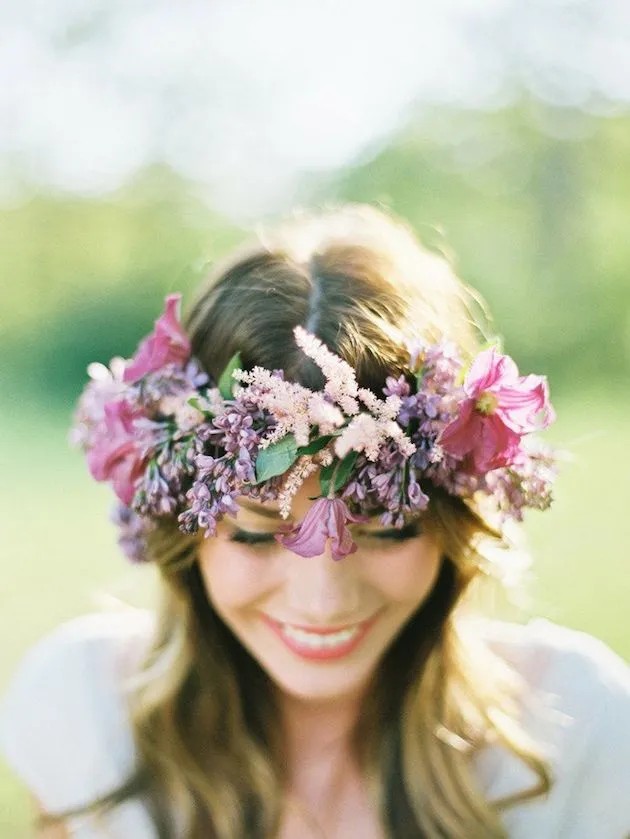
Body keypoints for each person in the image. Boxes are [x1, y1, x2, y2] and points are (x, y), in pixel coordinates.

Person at [1, 204, 629, 839]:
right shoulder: (84, 719)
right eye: (253, 533)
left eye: (388, 529)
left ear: (453, 522)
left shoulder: (580, 726)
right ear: (183, 525)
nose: (324, 601)